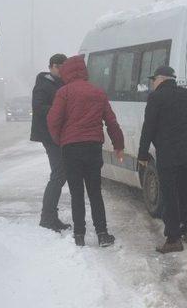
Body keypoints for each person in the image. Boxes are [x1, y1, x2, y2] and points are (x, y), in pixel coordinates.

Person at [47, 55, 124, 247]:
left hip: (71, 148)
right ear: (83, 71)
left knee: (76, 192)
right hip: (92, 147)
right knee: (95, 192)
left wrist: (60, 140)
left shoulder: (63, 92)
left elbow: (53, 120)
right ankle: (102, 233)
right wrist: (118, 145)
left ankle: (79, 235)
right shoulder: (98, 92)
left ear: (67, 72)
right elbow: (111, 122)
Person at [138, 66, 187, 254]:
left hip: (169, 155)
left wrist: (142, 154)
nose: (152, 83)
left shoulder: (156, 98)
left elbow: (148, 127)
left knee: (170, 197)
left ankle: (173, 239)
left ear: (160, 79)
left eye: (153, 80)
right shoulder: (186, 95)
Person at [30, 53, 71, 231]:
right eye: (61, 67)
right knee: (59, 174)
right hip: (49, 136)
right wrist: (59, 109)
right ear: (53, 66)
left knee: (60, 174)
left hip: (59, 135)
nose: (64, 71)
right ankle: (47, 217)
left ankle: (50, 215)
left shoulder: (60, 83)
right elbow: (38, 108)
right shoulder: (43, 84)